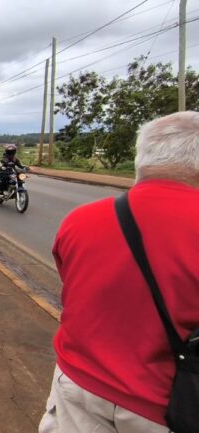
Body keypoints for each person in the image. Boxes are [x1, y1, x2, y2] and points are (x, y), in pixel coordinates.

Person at [38, 111, 199, 433]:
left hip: (77, 386)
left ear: (142, 158)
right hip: (165, 405)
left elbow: (73, 288)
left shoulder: (80, 220)